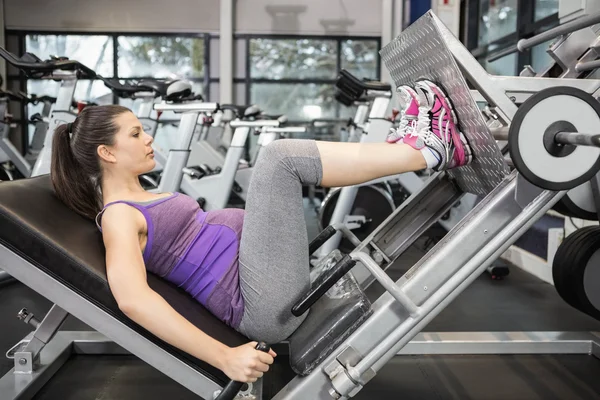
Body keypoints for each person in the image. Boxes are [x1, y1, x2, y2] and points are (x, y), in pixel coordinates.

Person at [50, 79, 472, 384]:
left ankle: (410, 147)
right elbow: (133, 299)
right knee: (279, 159)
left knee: (277, 161)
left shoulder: (142, 195)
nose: (149, 140)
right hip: (260, 304)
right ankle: (425, 150)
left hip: (261, 280)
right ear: (107, 152)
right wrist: (224, 357)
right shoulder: (118, 216)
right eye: (136, 133)